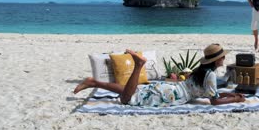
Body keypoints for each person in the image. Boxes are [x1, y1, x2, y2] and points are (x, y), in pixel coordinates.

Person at [74, 44, 246, 106]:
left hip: (172, 87)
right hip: (173, 95)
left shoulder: (202, 72)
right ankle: (138, 65)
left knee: (131, 91)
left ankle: (94, 82)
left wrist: (229, 94)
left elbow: (212, 94)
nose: (224, 58)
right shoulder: (210, 76)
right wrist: (235, 99)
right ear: (217, 60)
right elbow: (215, 101)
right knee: (127, 99)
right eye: (222, 56)